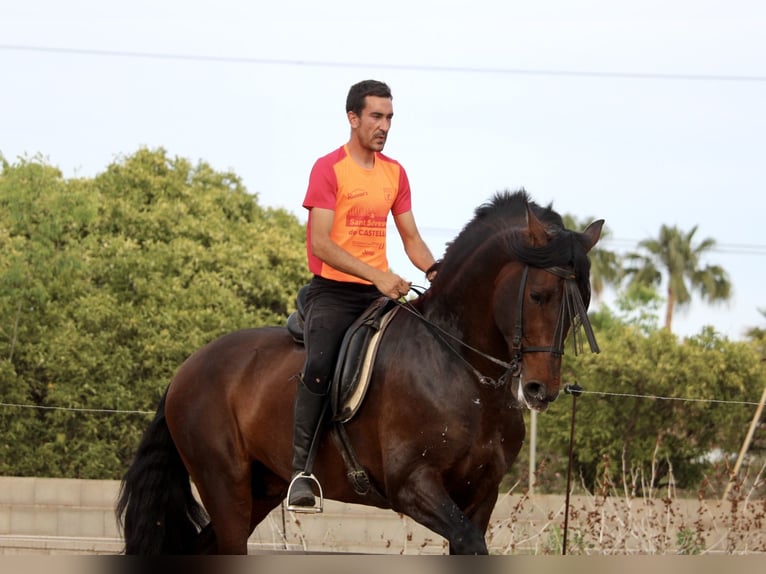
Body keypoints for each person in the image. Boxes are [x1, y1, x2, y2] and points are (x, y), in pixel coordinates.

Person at [288, 79, 437, 509]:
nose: (384, 125)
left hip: (378, 293)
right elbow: (321, 243)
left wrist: (433, 269)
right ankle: (301, 470)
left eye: (389, 117)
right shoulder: (329, 169)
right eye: (375, 116)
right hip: (333, 293)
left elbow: (410, 236)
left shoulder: (395, 173)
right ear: (353, 118)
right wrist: (378, 275)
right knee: (318, 365)